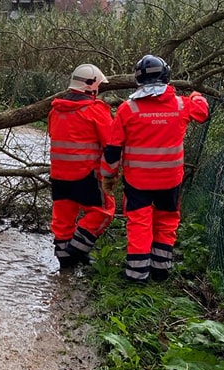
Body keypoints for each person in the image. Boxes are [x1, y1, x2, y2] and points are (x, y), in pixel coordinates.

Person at [100, 54, 209, 283]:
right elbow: (202, 112)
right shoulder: (181, 104)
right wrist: (197, 95)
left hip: (138, 181)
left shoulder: (127, 109)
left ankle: (137, 273)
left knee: (139, 222)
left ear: (138, 79)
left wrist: (109, 177)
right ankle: (161, 270)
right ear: (166, 76)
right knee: (167, 220)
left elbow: (112, 150)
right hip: (170, 180)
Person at [48, 63, 115, 269]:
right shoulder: (96, 111)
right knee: (104, 211)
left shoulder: (55, 109)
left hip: (58, 175)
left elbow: (54, 135)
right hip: (86, 175)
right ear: (91, 86)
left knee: (62, 217)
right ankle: (76, 250)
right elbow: (111, 142)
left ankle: (64, 261)